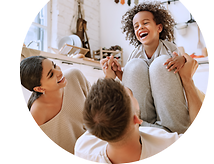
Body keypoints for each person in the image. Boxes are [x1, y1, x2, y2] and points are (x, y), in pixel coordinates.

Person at [74, 53, 202, 163]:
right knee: (160, 64)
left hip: (136, 132)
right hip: (170, 131)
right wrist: (187, 80)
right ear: (136, 119)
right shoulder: (169, 146)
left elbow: (99, 114)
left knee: (134, 65)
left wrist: (109, 79)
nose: (128, 88)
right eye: (131, 94)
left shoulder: (83, 148)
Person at [101, 1, 204, 134]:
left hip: (169, 103)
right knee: (133, 66)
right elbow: (131, 80)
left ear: (159, 28)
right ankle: (144, 125)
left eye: (145, 23)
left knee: (161, 63)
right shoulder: (135, 54)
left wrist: (181, 59)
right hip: (146, 109)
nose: (140, 28)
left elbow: (185, 63)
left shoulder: (169, 47)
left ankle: (174, 128)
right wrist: (118, 72)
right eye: (136, 26)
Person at [20, 56, 91, 154]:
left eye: (54, 65)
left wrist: (109, 76)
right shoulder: (37, 113)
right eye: (51, 75)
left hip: (95, 147)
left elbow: (100, 104)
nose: (59, 72)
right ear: (39, 89)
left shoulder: (75, 76)